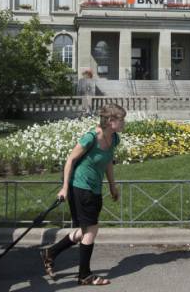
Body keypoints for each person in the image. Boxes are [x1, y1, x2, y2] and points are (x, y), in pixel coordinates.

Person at [41, 103, 126, 286]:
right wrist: (64, 188)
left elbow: (108, 162)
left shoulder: (114, 138)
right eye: (121, 120)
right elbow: (70, 160)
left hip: (94, 189)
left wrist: (112, 186)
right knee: (91, 230)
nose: (124, 123)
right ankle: (85, 275)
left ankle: (51, 253)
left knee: (85, 230)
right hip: (80, 187)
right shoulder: (91, 138)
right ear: (111, 121)